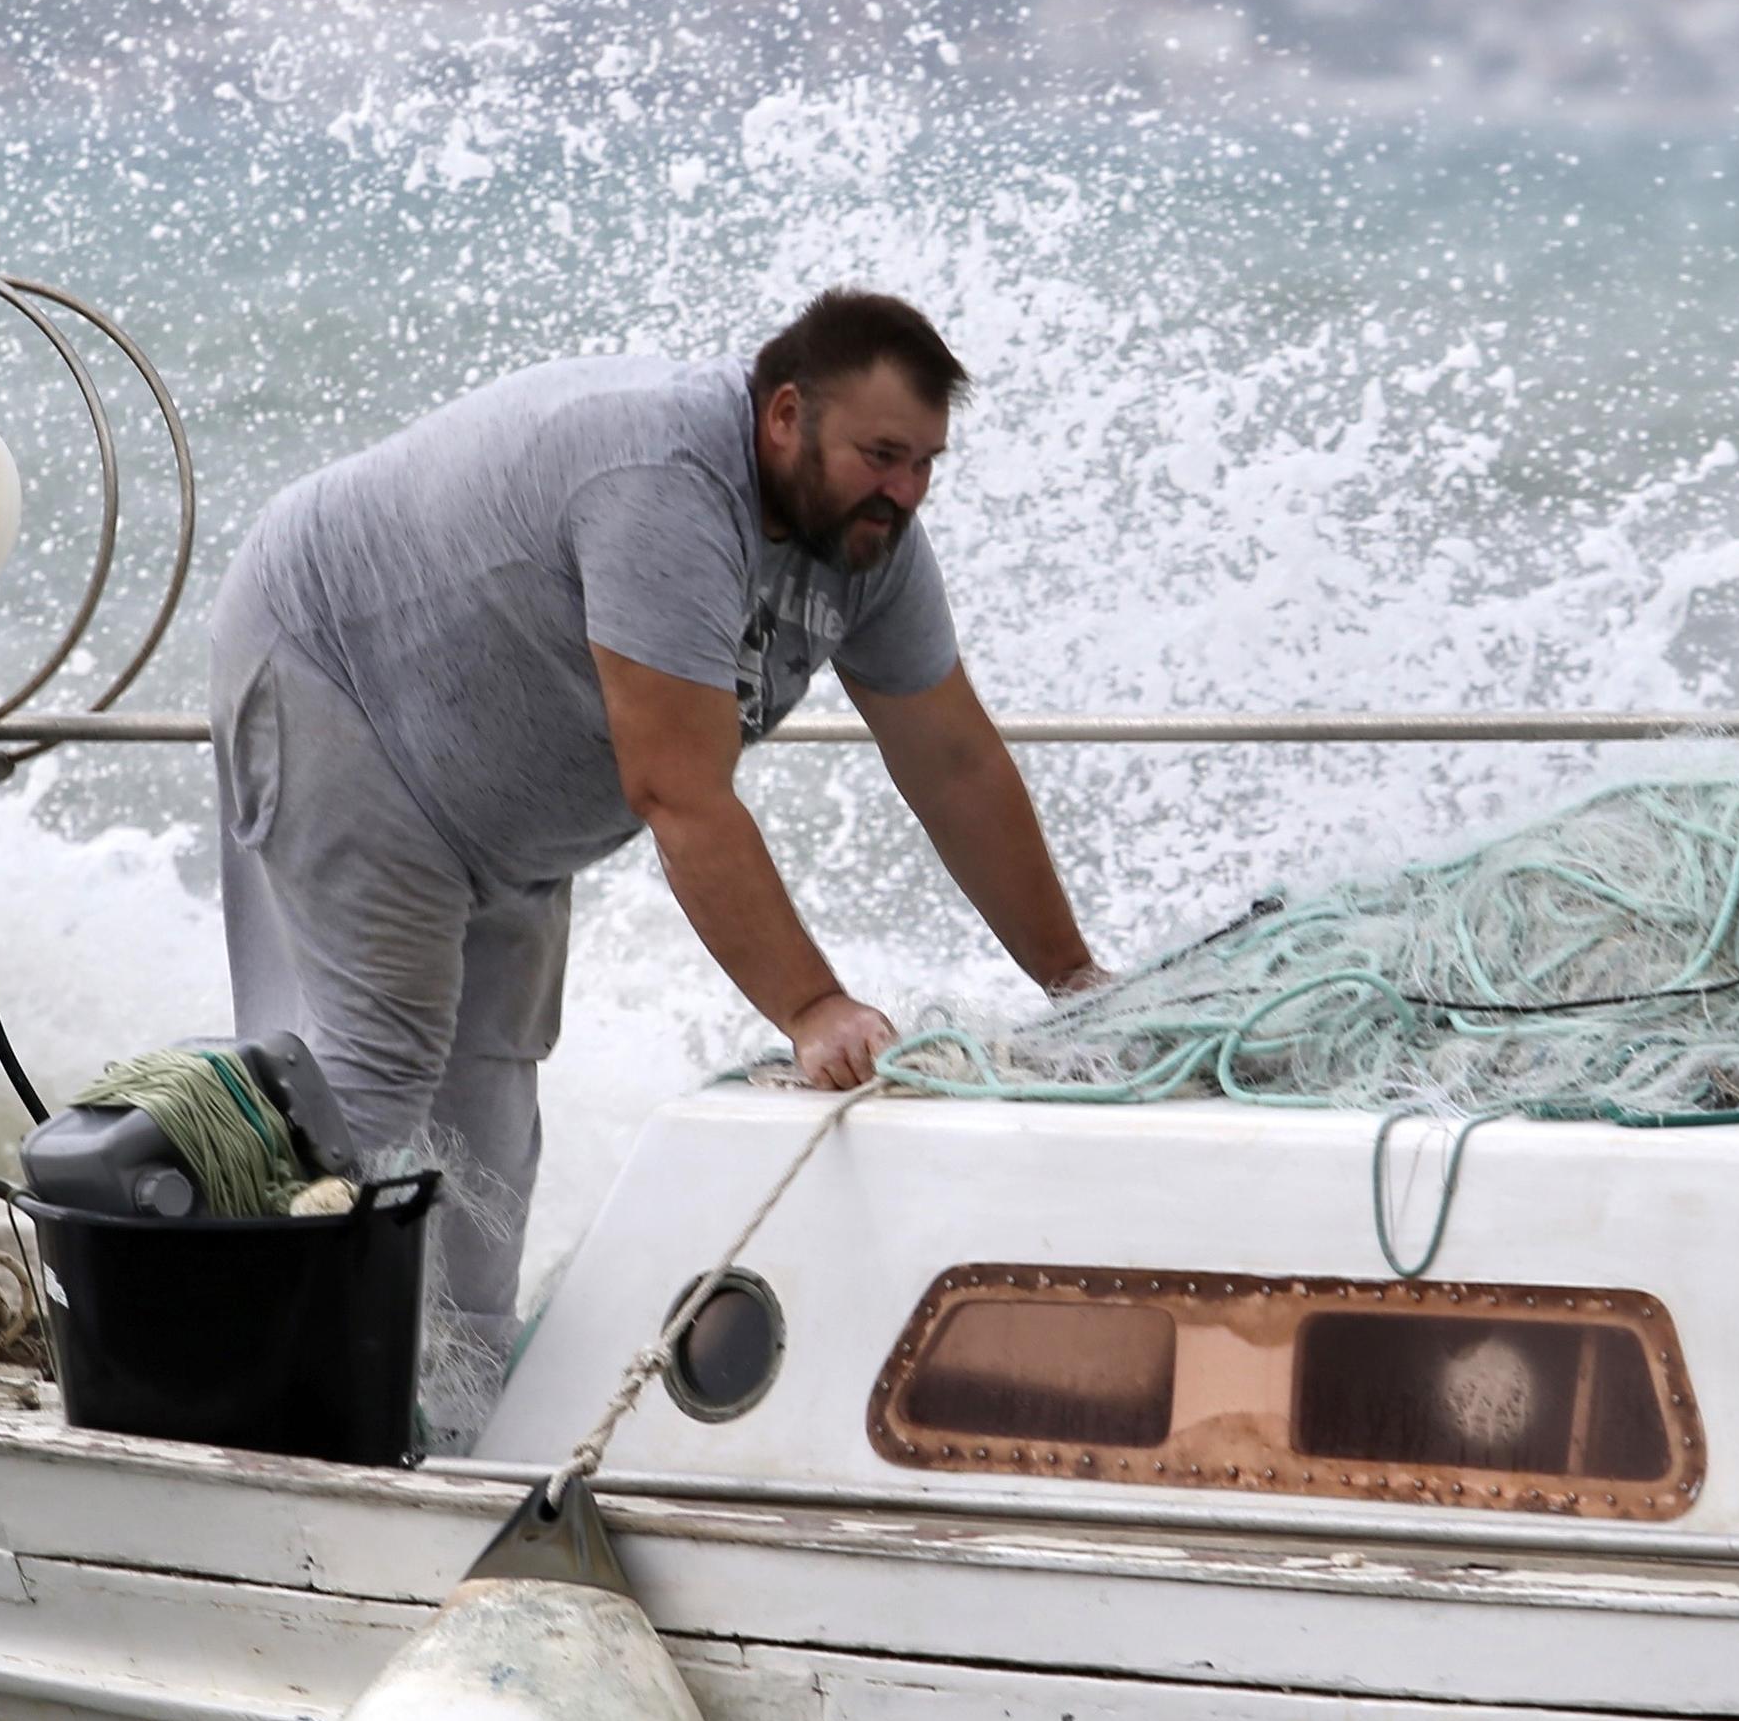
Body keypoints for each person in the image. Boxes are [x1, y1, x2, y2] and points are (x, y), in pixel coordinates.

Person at [209, 287, 1098, 1352]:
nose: (905, 493)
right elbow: (679, 796)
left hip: (502, 791)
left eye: (926, 466)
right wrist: (814, 1007)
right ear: (783, 417)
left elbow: (954, 765)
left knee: (489, 1096)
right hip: (336, 675)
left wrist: (1074, 985)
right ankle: (230, 1367)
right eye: (882, 455)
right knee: (378, 1058)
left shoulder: (872, 544)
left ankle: (453, 1398)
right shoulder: (669, 487)